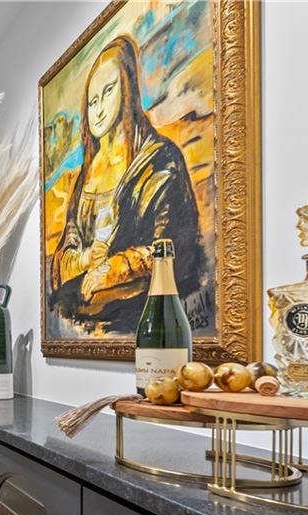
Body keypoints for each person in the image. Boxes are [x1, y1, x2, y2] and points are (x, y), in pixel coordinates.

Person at [49, 34, 203, 334]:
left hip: (142, 319)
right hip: (83, 317)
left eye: (108, 91)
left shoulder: (159, 158)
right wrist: (82, 260)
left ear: (127, 87)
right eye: (92, 101)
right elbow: (66, 249)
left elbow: (174, 249)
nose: (98, 109)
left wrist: (114, 269)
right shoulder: (86, 175)